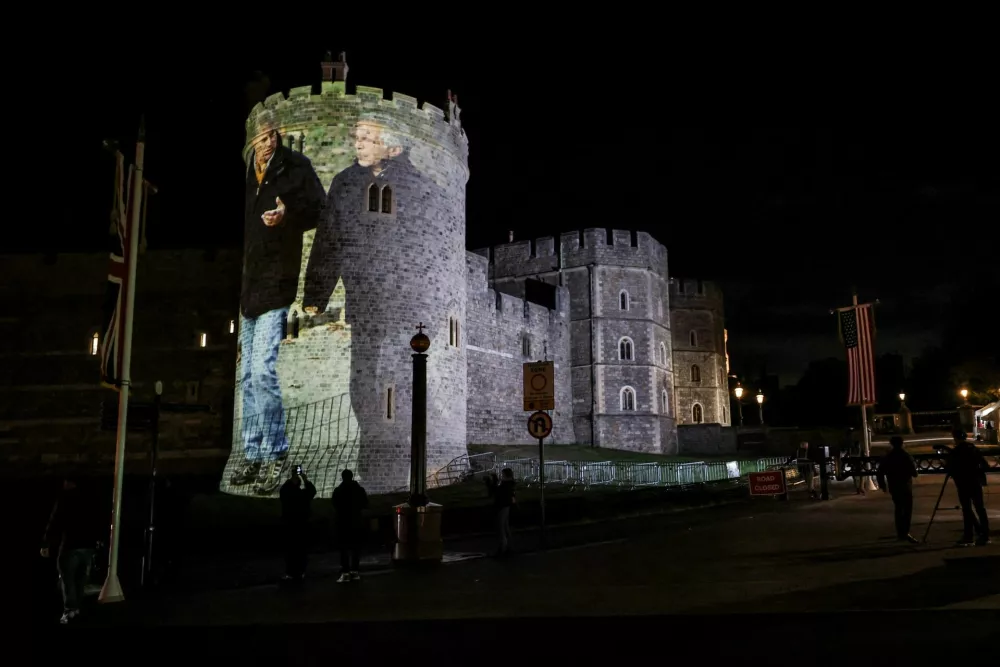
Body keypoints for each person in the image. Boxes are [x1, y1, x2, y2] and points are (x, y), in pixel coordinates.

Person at [231, 109, 325, 496]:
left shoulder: (295, 167)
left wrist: (288, 214)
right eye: (260, 137)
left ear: (278, 135)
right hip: (250, 291)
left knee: (264, 372)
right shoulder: (249, 177)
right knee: (248, 378)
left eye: (272, 136)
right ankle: (252, 455)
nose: (267, 143)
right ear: (252, 140)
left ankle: (275, 456)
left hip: (276, 285)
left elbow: (318, 208)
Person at [39, 478, 102, 624]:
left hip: (70, 545)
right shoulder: (90, 500)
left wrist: (46, 543)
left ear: (68, 483)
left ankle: (69, 609)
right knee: (80, 579)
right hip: (88, 546)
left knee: (67, 579)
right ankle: (77, 608)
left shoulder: (64, 499)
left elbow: (55, 521)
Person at [946, 430, 991, 547]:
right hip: (975, 482)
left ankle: (969, 536)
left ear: (955, 438)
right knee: (980, 509)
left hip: (963, 484)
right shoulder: (973, 449)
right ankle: (985, 535)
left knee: (967, 509)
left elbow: (950, 468)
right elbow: (985, 464)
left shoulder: (956, 452)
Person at [876, 436, 919, 543]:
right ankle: (905, 532)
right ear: (902, 443)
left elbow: (880, 472)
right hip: (905, 486)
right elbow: (914, 473)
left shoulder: (888, 457)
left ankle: (900, 532)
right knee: (907, 509)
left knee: (898, 508)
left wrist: (883, 485)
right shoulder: (906, 456)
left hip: (894, 485)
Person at [279, 467, 316, 581]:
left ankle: (291, 572)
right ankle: (300, 572)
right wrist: (305, 480)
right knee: (300, 550)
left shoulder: (287, 492)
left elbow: (283, 491)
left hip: (291, 524)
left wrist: (291, 479)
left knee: (292, 550)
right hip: (301, 524)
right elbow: (312, 491)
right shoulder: (302, 494)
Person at [332, 469, 368, 582]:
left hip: (343, 523)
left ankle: (345, 571)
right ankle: (355, 571)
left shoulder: (338, 491)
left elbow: (335, 504)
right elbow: (366, 504)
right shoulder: (359, 490)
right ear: (352, 477)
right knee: (356, 548)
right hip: (356, 522)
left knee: (344, 548)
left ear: (342, 477)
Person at [494, 468, 516, 556]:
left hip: (503, 506)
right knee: (505, 527)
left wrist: (495, 481)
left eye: (502, 475)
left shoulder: (506, 485)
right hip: (506, 506)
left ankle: (504, 547)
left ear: (506, 476)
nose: (501, 476)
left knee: (501, 527)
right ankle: (508, 546)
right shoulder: (510, 484)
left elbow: (498, 492)